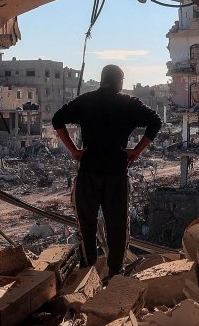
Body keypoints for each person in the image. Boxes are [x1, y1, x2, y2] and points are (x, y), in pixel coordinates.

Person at [52, 64, 162, 277]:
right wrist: (136, 151)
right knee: (117, 225)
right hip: (116, 174)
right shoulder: (128, 104)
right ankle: (114, 273)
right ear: (120, 81)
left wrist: (74, 151)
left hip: (89, 172)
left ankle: (87, 272)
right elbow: (155, 122)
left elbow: (57, 120)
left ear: (102, 80)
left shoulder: (86, 101)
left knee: (87, 224)